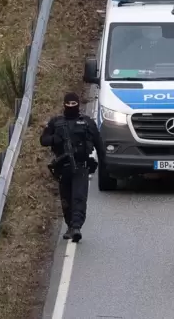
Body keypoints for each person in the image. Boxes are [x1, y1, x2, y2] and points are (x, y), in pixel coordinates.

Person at [40, 92, 102, 243]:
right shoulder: (56, 122)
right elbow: (43, 140)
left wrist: (104, 165)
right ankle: (69, 226)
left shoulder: (87, 123)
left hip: (81, 166)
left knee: (79, 198)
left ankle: (76, 227)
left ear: (78, 105)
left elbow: (99, 143)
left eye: (74, 104)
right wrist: (55, 139)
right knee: (66, 199)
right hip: (63, 167)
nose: (72, 107)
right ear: (64, 104)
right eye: (69, 104)